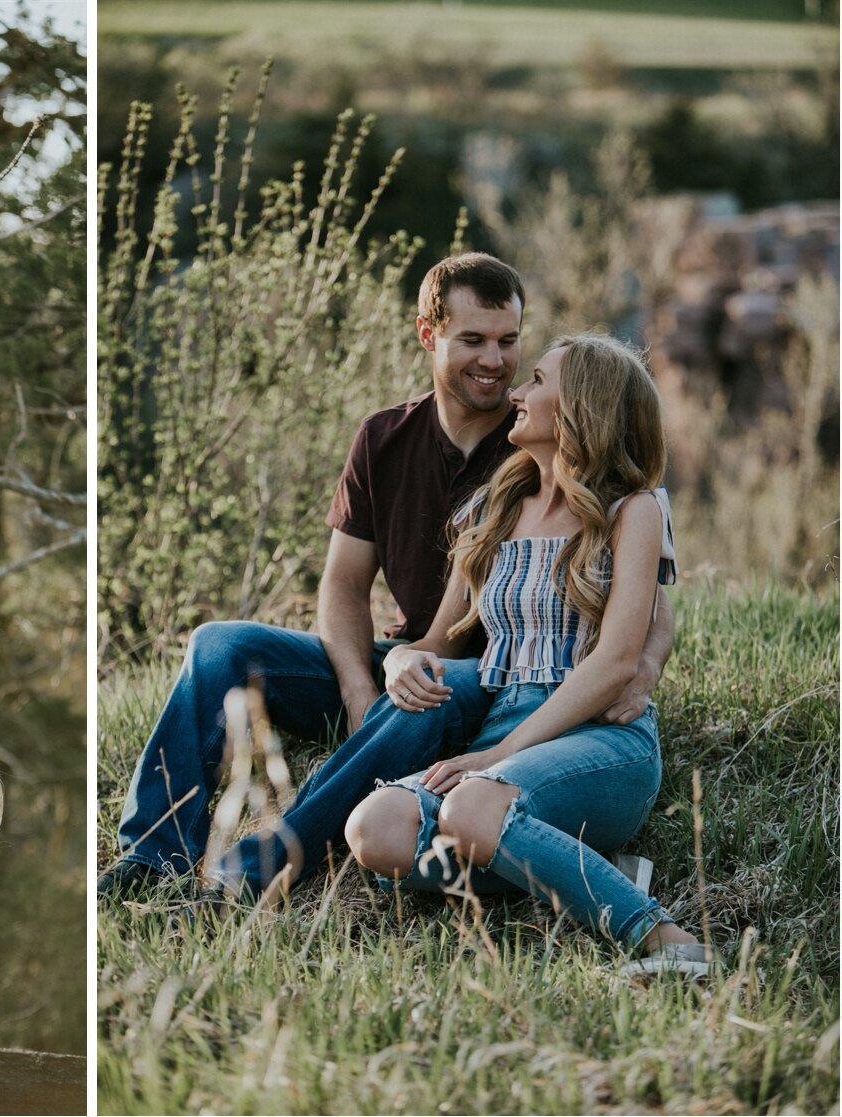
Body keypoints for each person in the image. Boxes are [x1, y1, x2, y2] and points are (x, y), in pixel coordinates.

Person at [98, 254, 674, 900]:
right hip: (414, 655)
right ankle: (152, 854)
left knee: (425, 691)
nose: (496, 362)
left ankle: (265, 864)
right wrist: (359, 685)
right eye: (473, 340)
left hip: (486, 678)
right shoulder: (385, 439)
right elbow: (344, 583)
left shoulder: (537, 447)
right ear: (429, 334)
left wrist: (644, 665)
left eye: (509, 342)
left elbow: (646, 597)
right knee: (218, 646)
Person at [341, 333, 707, 975]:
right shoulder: (493, 506)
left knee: (473, 804)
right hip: (503, 718)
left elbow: (618, 660)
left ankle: (665, 940)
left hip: (599, 738)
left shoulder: (634, 511)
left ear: (580, 408)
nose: (516, 392)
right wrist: (399, 659)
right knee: (376, 828)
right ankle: (582, 871)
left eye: (536, 380)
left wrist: (497, 756)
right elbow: (435, 639)